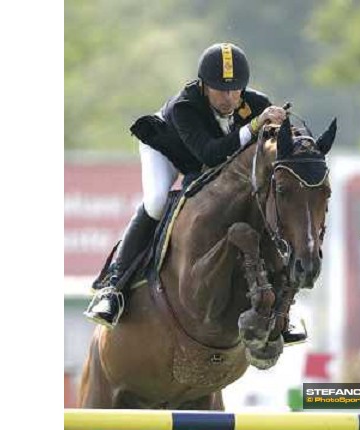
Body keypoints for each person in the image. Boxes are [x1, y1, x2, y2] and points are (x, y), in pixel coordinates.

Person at [84, 43, 306, 344]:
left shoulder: (256, 102)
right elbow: (210, 155)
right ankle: (113, 288)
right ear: (203, 86)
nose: (229, 98)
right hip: (168, 149)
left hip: (211, 162)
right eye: (220, 90)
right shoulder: (184, 106)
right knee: (157, 202)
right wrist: (255, 125)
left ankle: (283, 309)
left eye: (235, 90)